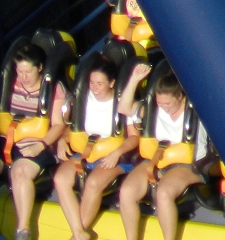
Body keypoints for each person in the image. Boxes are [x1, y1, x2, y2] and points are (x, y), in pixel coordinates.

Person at [117, 66, 211, 240]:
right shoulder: (155, 110)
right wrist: (134, 79)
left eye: (167, 104)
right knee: (127, 191)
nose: (163, 107)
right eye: (160, 103)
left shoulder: (198, 110)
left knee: (163, 193)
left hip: (189, 164)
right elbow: (124, 109)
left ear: (180, 97)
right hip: (157, 160)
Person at [53, 57, 140, 240]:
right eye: (92, 83)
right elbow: (73, 129)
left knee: (93, 184)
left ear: (112, 83)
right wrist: (63, 140)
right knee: (60, 179)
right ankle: (78, 233)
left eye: (100, 83)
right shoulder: (84, 98)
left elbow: (134, 138)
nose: (94, 88)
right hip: (86, 153)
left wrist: (116, 153)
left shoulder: (122, 102)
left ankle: (76, 236)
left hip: (114, 156)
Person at [6, 44, 69, 240]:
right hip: (10, 139)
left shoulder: (53, 88)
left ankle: (23, 230)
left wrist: (40, 145)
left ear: (40, 68)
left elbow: (58, 125)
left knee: (20, 172)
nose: (23, 76)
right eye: (19, 71)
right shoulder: (11, 83)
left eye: (28, 71)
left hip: (40, 143)